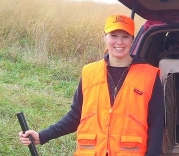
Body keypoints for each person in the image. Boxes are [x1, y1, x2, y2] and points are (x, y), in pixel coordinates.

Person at [18, 14, 165, 155]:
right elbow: (75, 116)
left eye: (125, 36)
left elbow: (156, 124)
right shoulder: (89, 72)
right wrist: (43, 136)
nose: (119, 42)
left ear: (132, 40)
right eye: (113, 36)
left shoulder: (149, 75)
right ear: (105, 37)